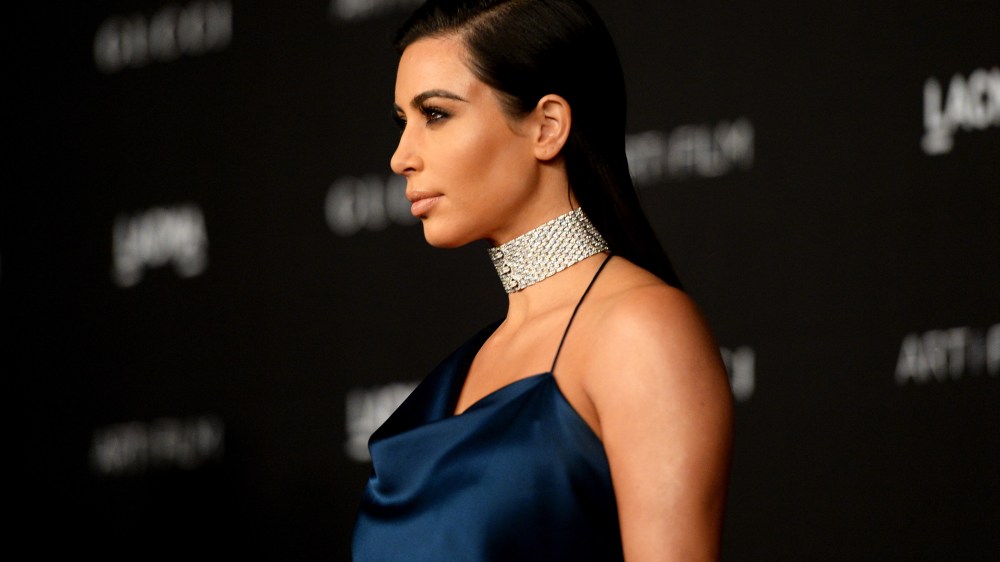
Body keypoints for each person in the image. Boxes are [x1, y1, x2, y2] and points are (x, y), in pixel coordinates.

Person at [353, 1, 733, 560]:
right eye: (402, 122)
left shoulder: (639, 330)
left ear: (547, 126)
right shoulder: (473, 359)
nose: (401, 157)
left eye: (435, 114)